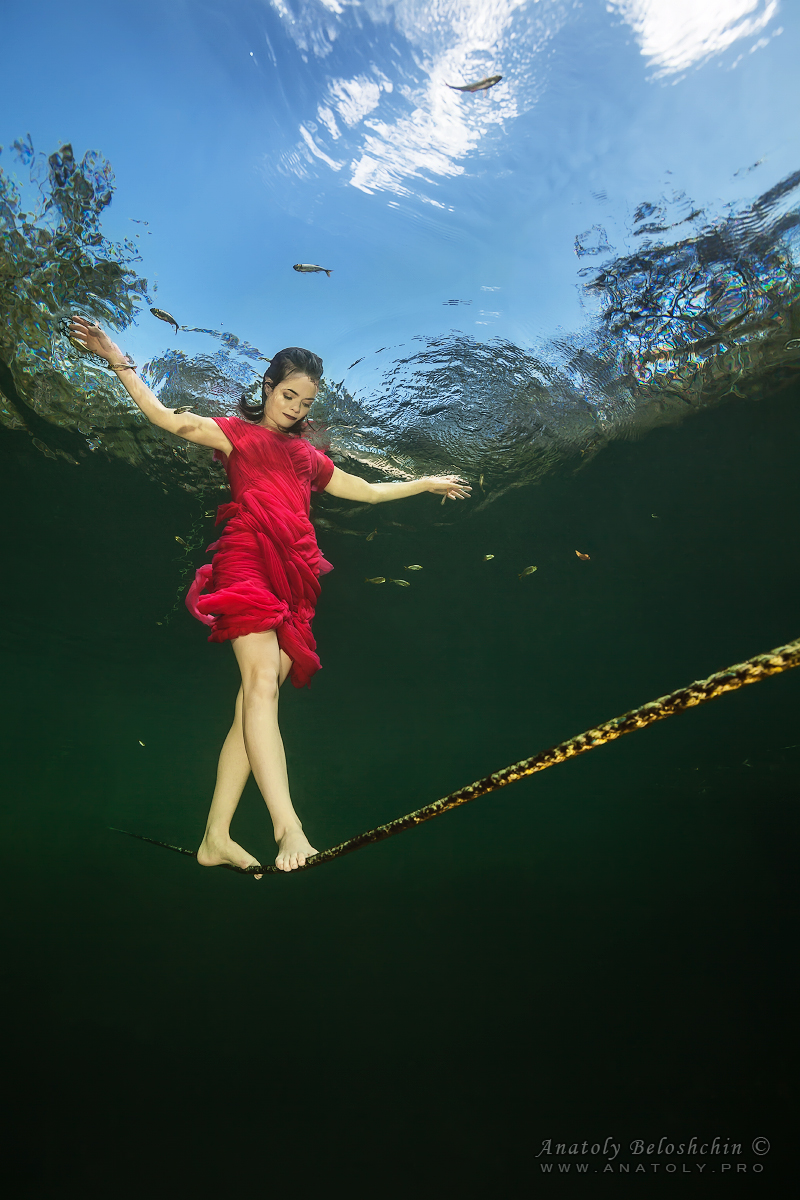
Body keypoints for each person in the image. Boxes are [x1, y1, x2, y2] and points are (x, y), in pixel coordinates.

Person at [68, 316, 471, 874]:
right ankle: (289, 828)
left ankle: (215, 836)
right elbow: (163, 417)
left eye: (306, 401)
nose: (296, 408)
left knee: (250, 704)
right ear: (267, 387)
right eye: (288, 395)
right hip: (247, 559)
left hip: (295, 578)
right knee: (261, 686)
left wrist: (426, 483)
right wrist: (116, 356)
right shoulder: (237, 433)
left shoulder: (309, 458)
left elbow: (372, 492)